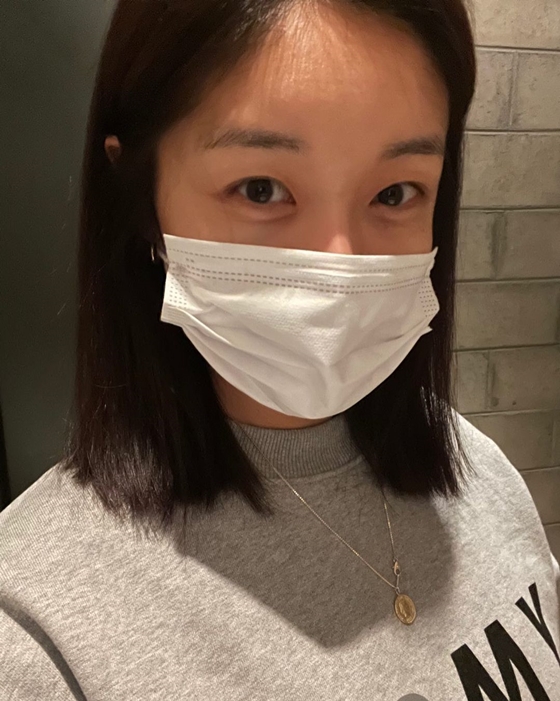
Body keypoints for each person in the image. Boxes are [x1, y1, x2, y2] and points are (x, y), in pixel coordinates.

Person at [1, 0, 559, 698]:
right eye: (261, 189)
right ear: (141, 200)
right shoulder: (35, 635)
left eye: (394, 192)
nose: (339, 266)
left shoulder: (480, 471)